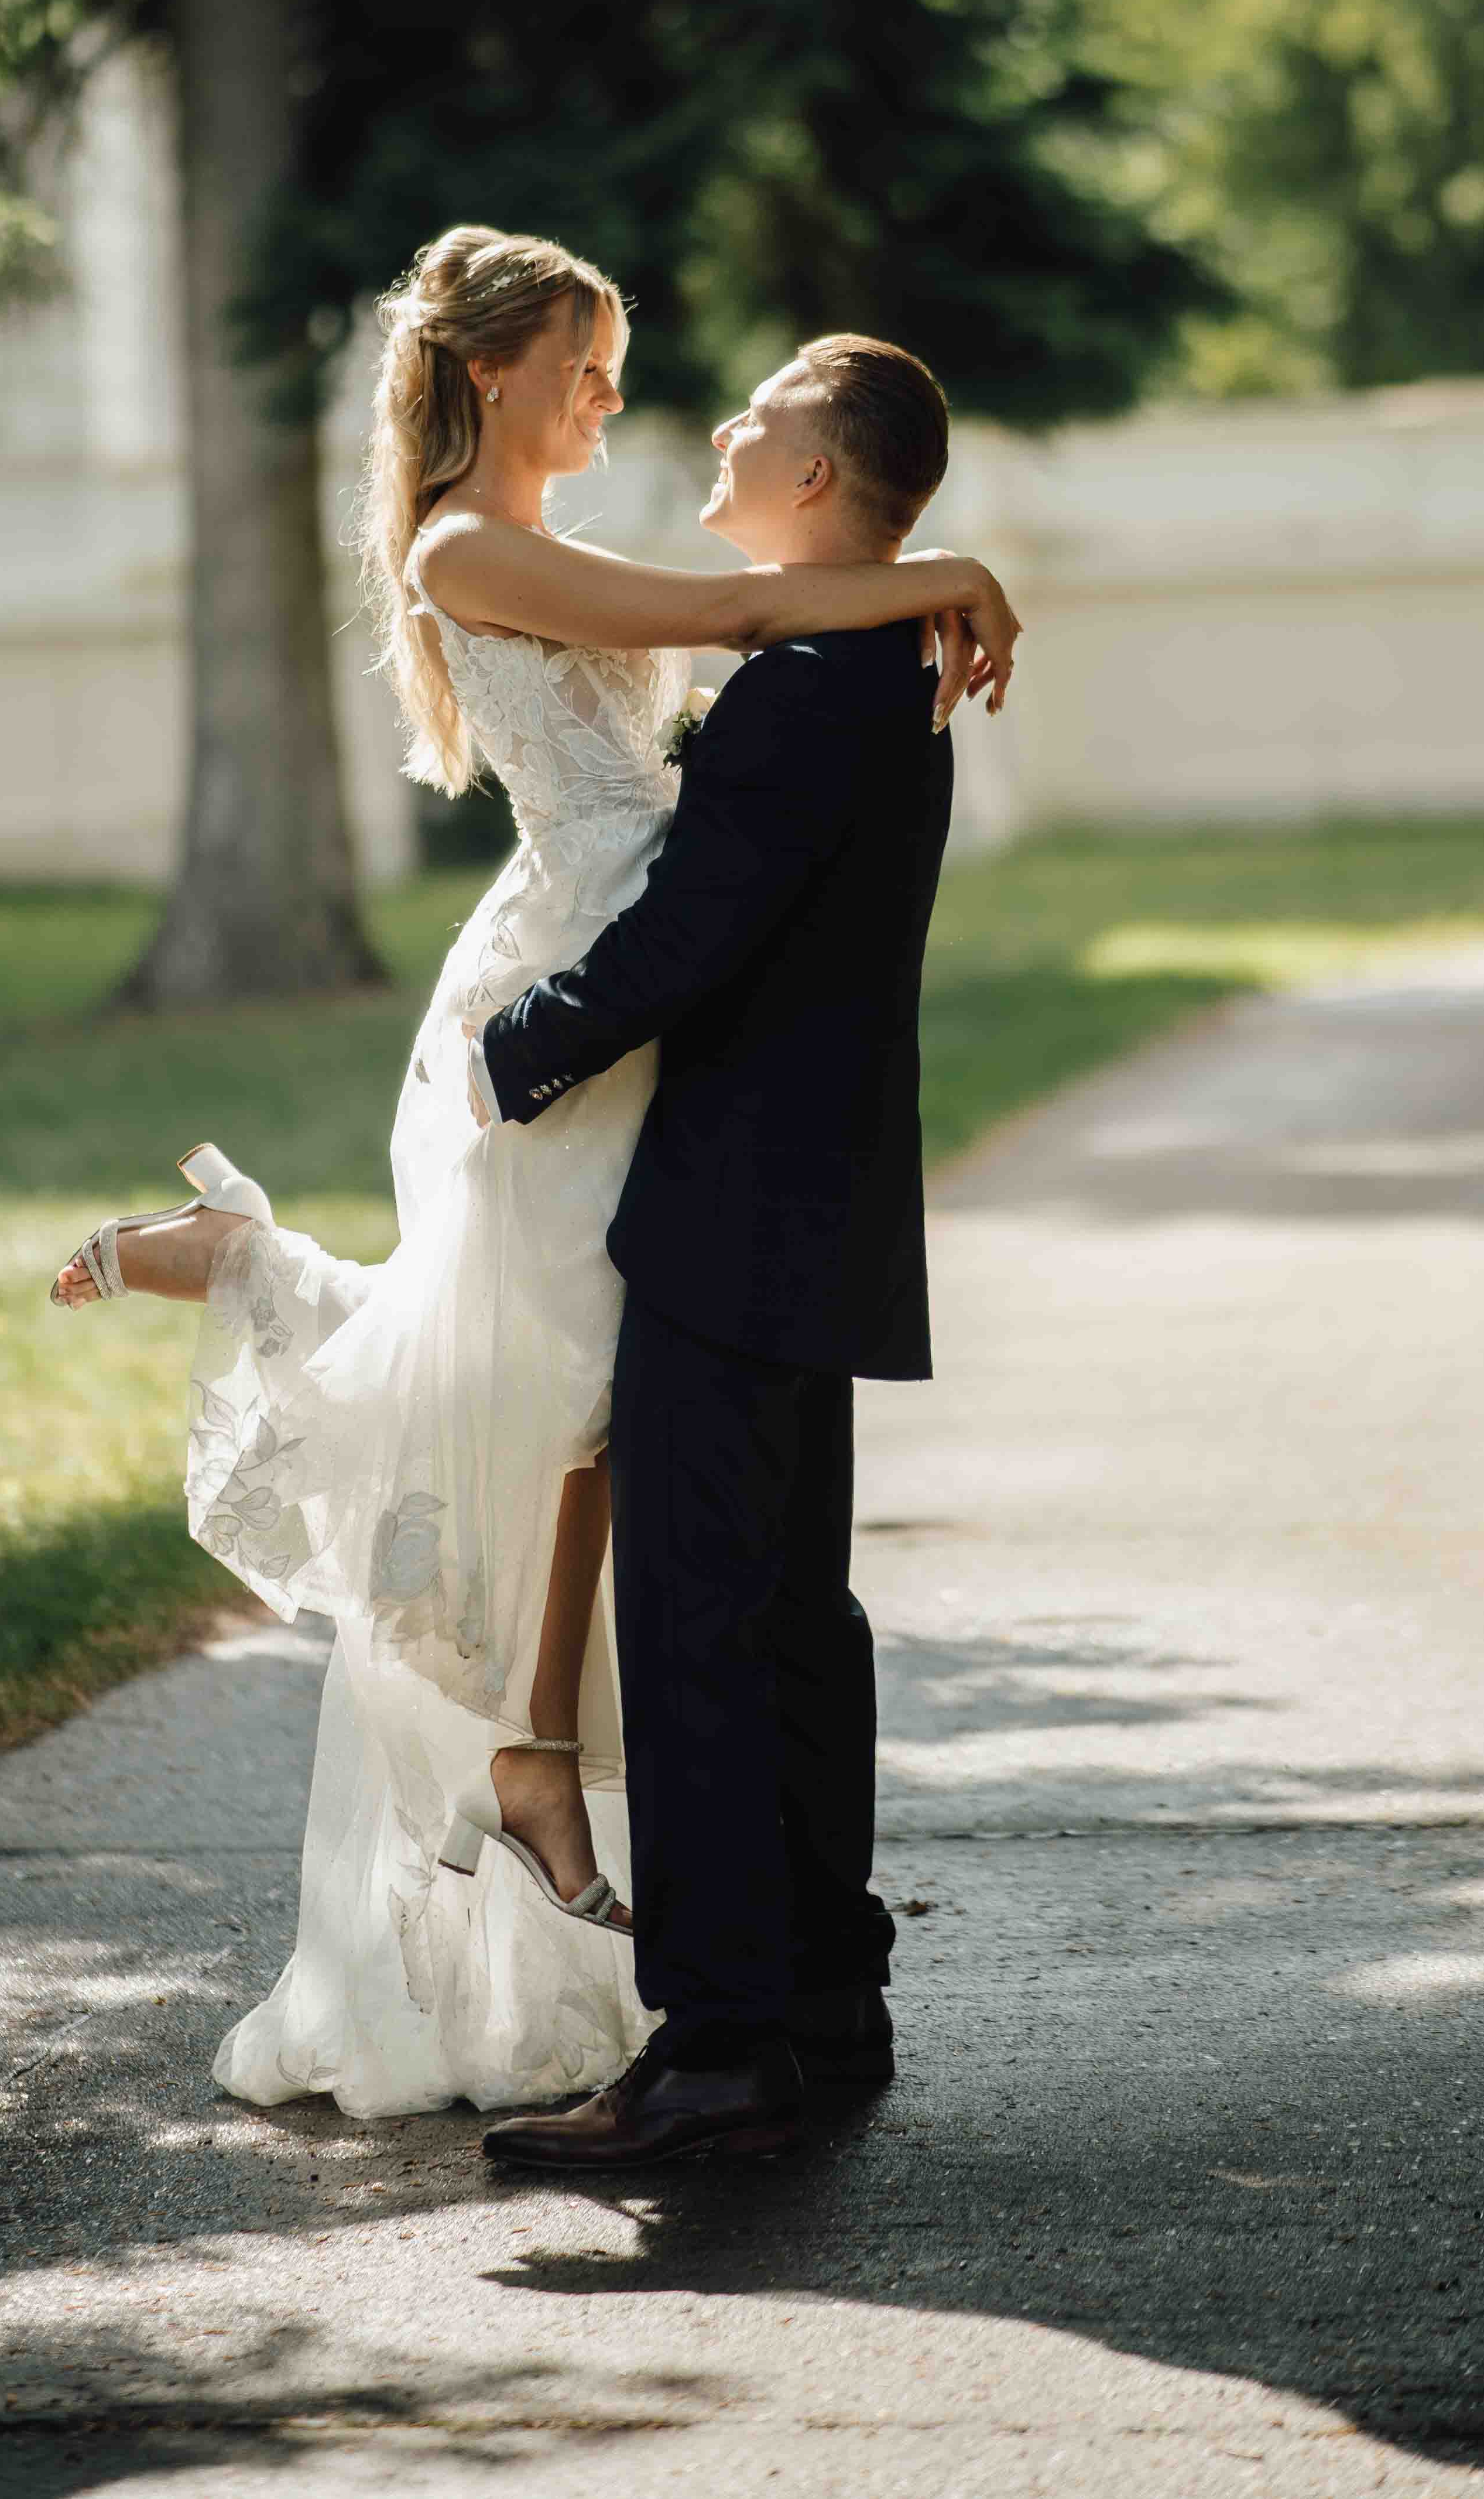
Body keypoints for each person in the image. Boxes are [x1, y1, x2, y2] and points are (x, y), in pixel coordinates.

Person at [47, 225, 1017, 2120]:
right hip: (573, 986)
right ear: (488, 369)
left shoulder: (669, 594)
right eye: (586, 362)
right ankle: (523, 1736)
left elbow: (742, 654)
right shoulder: (463, 548)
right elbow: (735, 616)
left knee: (597, 1422)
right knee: (552, 1397)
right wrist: (945, 572)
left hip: (634, 994)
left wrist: (916, 585)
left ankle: (552, 1775)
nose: (620, 397)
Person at [461, 320, 967, 2168]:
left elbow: (698, 932)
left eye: (758, 420)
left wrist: (521, 1045)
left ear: (813, 476)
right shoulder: (875, 661)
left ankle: (718, 2043)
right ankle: (823, 1995)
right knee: (787, 1615)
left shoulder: (808, 686)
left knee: (698, 1623)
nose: (725, 433)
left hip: (734, 1209)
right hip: (811, 1204)